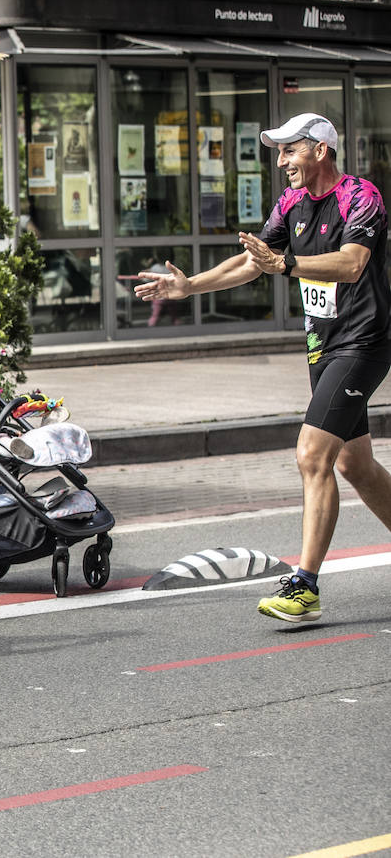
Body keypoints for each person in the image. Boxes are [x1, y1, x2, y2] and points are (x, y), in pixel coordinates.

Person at [135, 113, 391, 623]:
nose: (281, 162)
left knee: (312, 454)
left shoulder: (361, 196)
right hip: (323, 346)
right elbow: (255, 260)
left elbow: (352, 263)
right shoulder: (291, 203)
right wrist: (190, 287)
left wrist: (288, 266)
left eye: (289, 150)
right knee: (352, 464)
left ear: (320, 150)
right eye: (277, 152)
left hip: (363, 342)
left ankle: (305, 586)